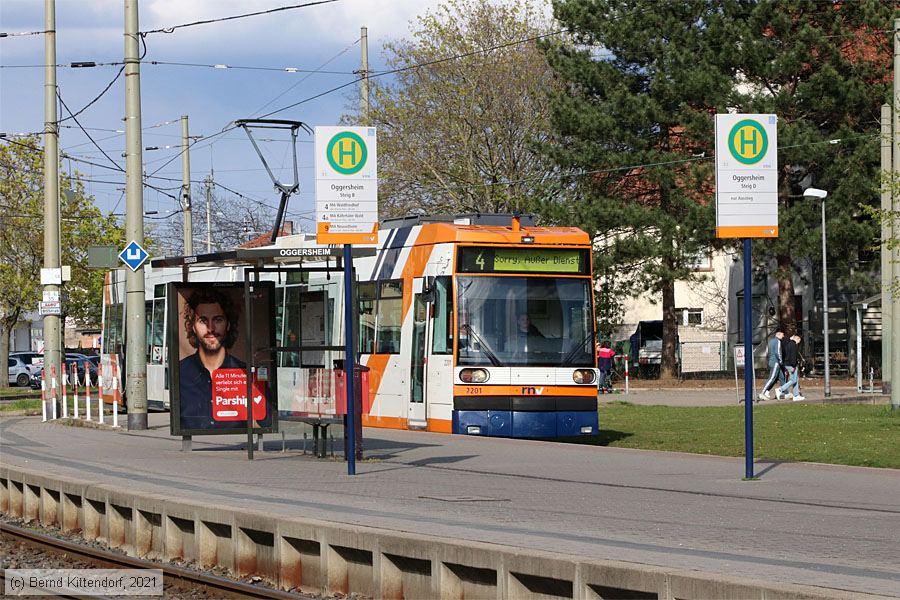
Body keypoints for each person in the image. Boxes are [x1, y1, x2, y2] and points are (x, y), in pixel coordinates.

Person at [179, 287, 246, 430]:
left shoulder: (244, 372)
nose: (211, 328)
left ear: (228, 324)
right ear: (193, 327)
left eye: (218, 320)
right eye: (203, 321)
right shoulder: (179, 372)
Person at [776, 333, 805, 401]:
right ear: (797, 339)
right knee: (793, 380)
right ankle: (780, 389)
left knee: (795, 380)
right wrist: (794, 366)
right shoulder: (794, 345)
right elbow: (793, 357)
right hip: (791, 365)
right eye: (799, 341)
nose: (798, 343)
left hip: (787, 363)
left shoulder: (788, 344)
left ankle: (796, 395)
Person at [758, 330, 785, 401]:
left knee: (782, 378)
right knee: (771, 378)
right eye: (782, 334)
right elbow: (778, 352)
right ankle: (763, 393)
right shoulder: (778, 341)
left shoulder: (771, 341)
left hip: (772, 361)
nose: (783, 336)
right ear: (778, 334)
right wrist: (781, 361)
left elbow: (769, 352)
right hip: (776, 362)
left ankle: (785, 393)